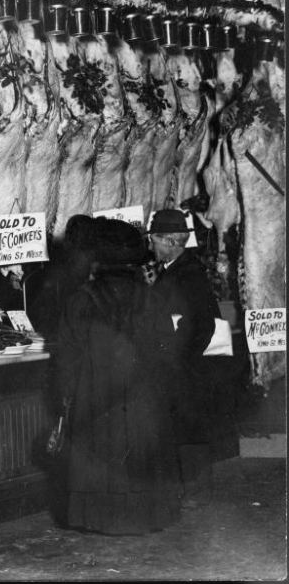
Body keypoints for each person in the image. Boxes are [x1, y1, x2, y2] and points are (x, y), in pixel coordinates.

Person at [53, 219, 183, 535]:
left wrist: (66, 401)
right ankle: (145, 517)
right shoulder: (150, 297)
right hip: (143, 399)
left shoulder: (81, 298)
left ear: (99, 258)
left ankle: (101, 519)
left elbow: (67, 359)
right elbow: (168, 346)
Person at [146, 208, 221, 498]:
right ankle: (191, 489)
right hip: (183, 368)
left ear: (169, 241)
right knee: (186, 427)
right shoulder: (175, 270)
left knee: (188, 427)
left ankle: (194, 491)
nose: (151, 245)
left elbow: (205, 324)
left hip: (185, 370)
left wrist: (178, 358)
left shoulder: (187, 275)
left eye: (153, 240)